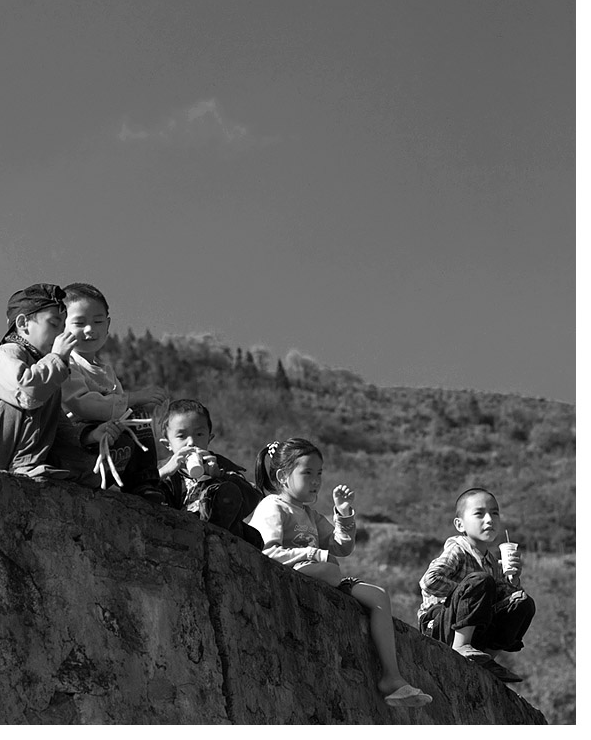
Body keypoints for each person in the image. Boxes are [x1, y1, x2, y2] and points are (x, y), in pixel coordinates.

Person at [249, 438, 432, 709]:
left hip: (324, 575)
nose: (316, 480)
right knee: (327, 568)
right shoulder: (272, 507)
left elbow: (341, 547)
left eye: (319, 473)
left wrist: (344, 514)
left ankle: (391, 678)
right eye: (307, 473)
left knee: (378, 595)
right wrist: (314, 554)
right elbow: (266, 551)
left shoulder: (309, 515)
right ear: (282, 476)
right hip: (295, 574)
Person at [0, 283, 122, 485]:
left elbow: (57, 423)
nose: (60, 334)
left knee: (46, 391)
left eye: (63, 327)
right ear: (23, 324)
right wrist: (57, 357)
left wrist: (88, 436)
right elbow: (27, 393)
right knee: (34, 389)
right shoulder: (4, 354)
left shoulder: (44, 366)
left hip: (11, 445)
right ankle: (25, 465)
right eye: (53, 324)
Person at [60, 282, 168, 503]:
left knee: (137, 416)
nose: (90, 329)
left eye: (98, 321)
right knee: (133, 408)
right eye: (79, 323)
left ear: (108, 324)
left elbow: (120, 409)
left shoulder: (106, 372)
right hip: (79, 440)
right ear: (61, 326)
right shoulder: (65, 362)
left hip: (111, 438)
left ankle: (144, 483)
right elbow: (82, 404)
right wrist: (134, 398)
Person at [417, 487, 536, 684]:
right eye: (479, 514)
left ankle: (485, 658)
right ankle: (460, 647)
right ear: (460, 524)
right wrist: (467, 592)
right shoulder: (458, 549)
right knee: (481, 581)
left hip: (475, 629)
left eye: (494, 513)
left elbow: (502, 603)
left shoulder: (491, 562)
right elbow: (429, 582)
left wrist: (512, 581)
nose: (489, 519)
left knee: (523, 603)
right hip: (439, 625)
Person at [157, 398, 263, 548]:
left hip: (219, 530)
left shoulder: (222, 467)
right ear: (167, 444)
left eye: (199, 434)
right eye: (181, 436)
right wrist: (164, 472)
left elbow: (251, 499)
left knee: (228, 492)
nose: (191, 442)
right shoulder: (161, 469)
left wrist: (219, 476)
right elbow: (136, 489)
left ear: (209, 438)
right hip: (177, 529)